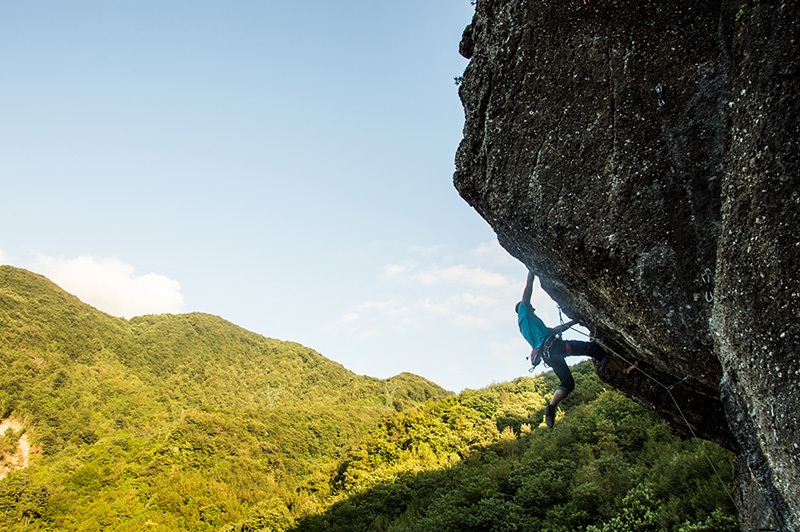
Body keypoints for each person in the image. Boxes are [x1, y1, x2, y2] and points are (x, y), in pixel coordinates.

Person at [517, 270, 636, 428]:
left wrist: (573, 322)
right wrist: (531, 267)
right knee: (593, 348)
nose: (534, 308)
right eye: (531, 306)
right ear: (522, 308)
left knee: (568, 382)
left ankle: (551, 406)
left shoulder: (526, 327)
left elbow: (555, 329)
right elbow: (528, 286)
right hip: (555, 347)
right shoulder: (523, 311)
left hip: (548, 356)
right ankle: (624, 370)